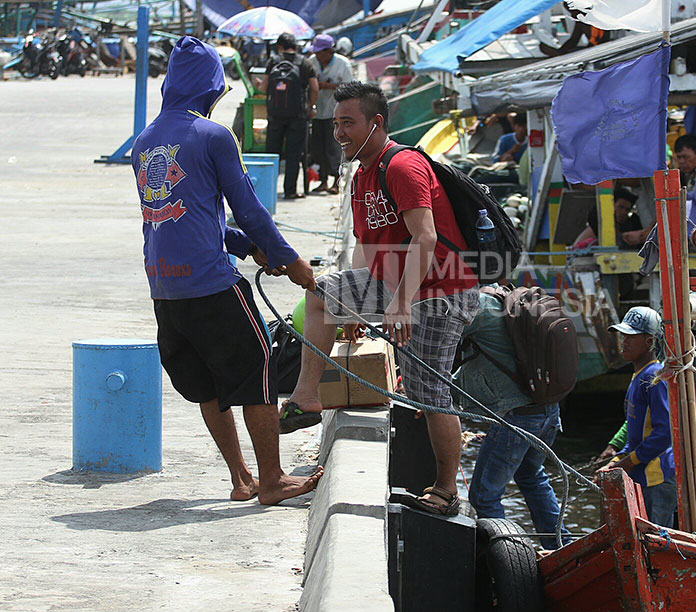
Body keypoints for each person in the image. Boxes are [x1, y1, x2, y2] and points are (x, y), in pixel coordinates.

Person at [130, 36, 322, 505]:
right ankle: (272, 480)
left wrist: (247, 247)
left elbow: (187, 215)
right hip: (212, 285)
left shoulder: (144, 141)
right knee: (258, 373)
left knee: (207, 385)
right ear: (211, 87)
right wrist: (288, 258)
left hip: (165, 288)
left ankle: (241, 478)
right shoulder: (214, 136)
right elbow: (249, 209)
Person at [281, 81, 480, 517]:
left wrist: (400, 304)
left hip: (442, 290)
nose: (339, 133)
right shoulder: (361, 176)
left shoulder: (402, 166)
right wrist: (353, 306)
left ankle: (447, 490)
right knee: (320, 296)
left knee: (429, 393)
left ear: (376, 123)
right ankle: (306, 397)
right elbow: (365, 247)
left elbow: (425, 238)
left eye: (348, 124)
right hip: (395, 283)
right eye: (335, 124)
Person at [455, 289, 566, 550]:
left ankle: (509, 557)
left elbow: (440, 340)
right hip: (548, 410)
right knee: (531, 476)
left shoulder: (480, 307)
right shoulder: (511, 298)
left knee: (484, 496)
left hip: (517, 418)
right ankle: (561, 547)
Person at [596, 307, 677, 527]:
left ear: (649, 342)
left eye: (630, 337)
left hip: (656, 478)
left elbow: (664, 433)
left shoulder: (654, 378)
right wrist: (615, 459)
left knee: (656, 540)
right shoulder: (639, 375)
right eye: (623, 336)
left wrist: (627, 463)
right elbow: (636, 429)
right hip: (641, 476)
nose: (624, 342)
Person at [263, 32, 318, 200]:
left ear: (280, 47)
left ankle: (267, 191)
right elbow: (314, 89)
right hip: (298, 116)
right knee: (294, 155)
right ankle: (290, 191)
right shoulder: (305, 63)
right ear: (295, 46)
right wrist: (310, 107)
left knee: (272, 155)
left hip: (275, 116)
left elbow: (264, 87)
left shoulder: (273, 62)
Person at [308, 34, 353, 195]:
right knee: (318, 148)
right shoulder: (312, 61)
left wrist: (330, 86)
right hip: (317, 111)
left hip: (336, 113)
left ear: (328, 51)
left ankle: (336, 180)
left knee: (334, 148)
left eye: (319, 52)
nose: (317, 55)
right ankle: (323, 180)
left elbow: (351, 88)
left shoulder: (343, 64)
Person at [572, 187, 647, 249]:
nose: (623, 212)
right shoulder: (598, 223)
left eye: (627, 210)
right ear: (611, 205)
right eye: (620, 207)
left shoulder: (628, 225)